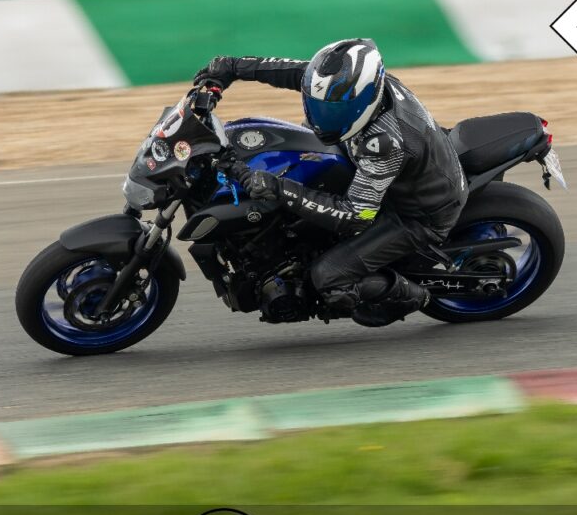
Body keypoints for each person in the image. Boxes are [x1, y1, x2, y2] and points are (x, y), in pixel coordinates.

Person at [193, 39, 468, 326]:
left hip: (417, 214)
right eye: (319, 106)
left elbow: (356, 216)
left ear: (363, 101)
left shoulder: (384, 143)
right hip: (387, 170)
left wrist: (278, 188)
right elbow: (295, 73)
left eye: (335, 110)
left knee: (327, 276)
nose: (323, 118)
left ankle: (412, 296)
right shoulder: (356, 85)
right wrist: (232, 67)